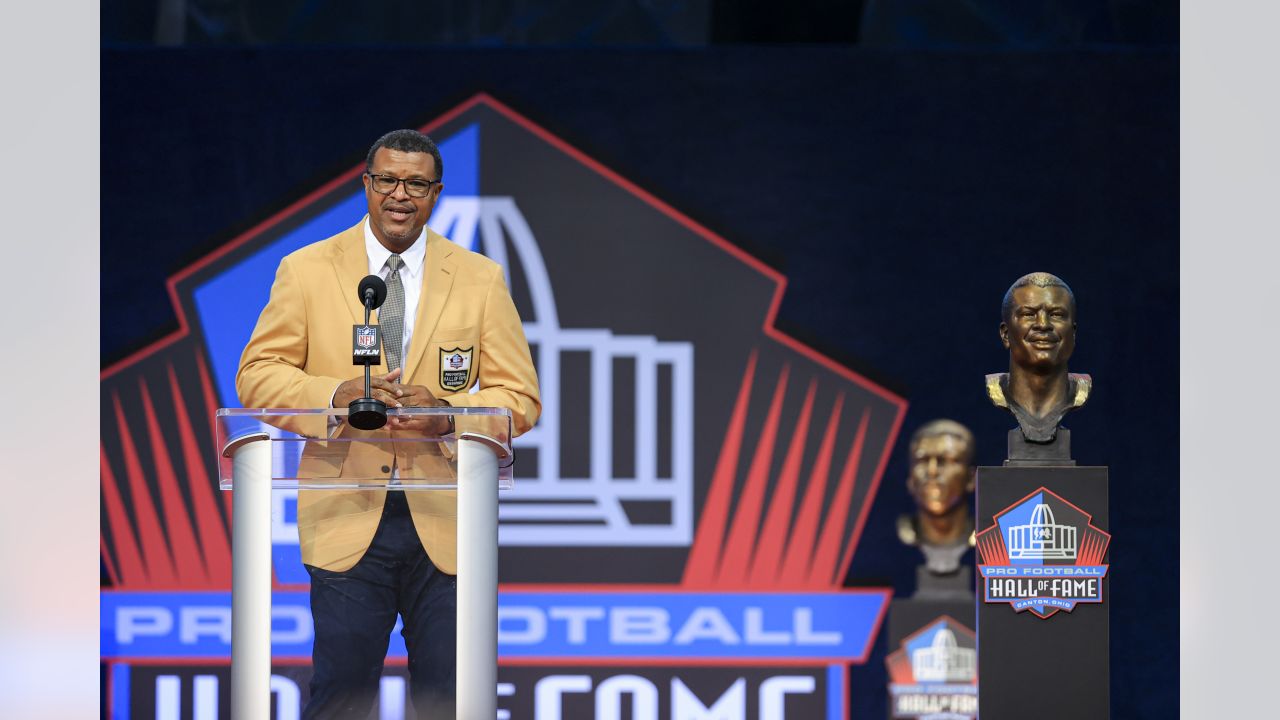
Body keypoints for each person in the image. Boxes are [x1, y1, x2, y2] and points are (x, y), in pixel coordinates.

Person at [237, 129, 541, 718]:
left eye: (417, 184)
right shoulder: (307, 270)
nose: (401, 195)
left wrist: (446, 417)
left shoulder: (479, 279)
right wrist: (333, 396)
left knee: (449, 703)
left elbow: (520, 397)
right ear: (367, 185)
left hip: (449, 523)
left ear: (436, 193)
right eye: (388, 181)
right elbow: (258, 373)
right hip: (346, 515)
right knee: (342, 700)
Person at [985, 271, 1090, 443]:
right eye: (1029, 314)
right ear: (1005, 334)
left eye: (1056, 314)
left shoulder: (1080, 392)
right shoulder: (997, 391)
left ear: (1073, 333)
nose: (1043, 324)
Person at [896, 419, 975, 576]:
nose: (932, 471)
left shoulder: (990, 542)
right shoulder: (894, 544)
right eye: (922, 461)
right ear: (910, 479)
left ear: (971, 479)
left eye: (946, 460)